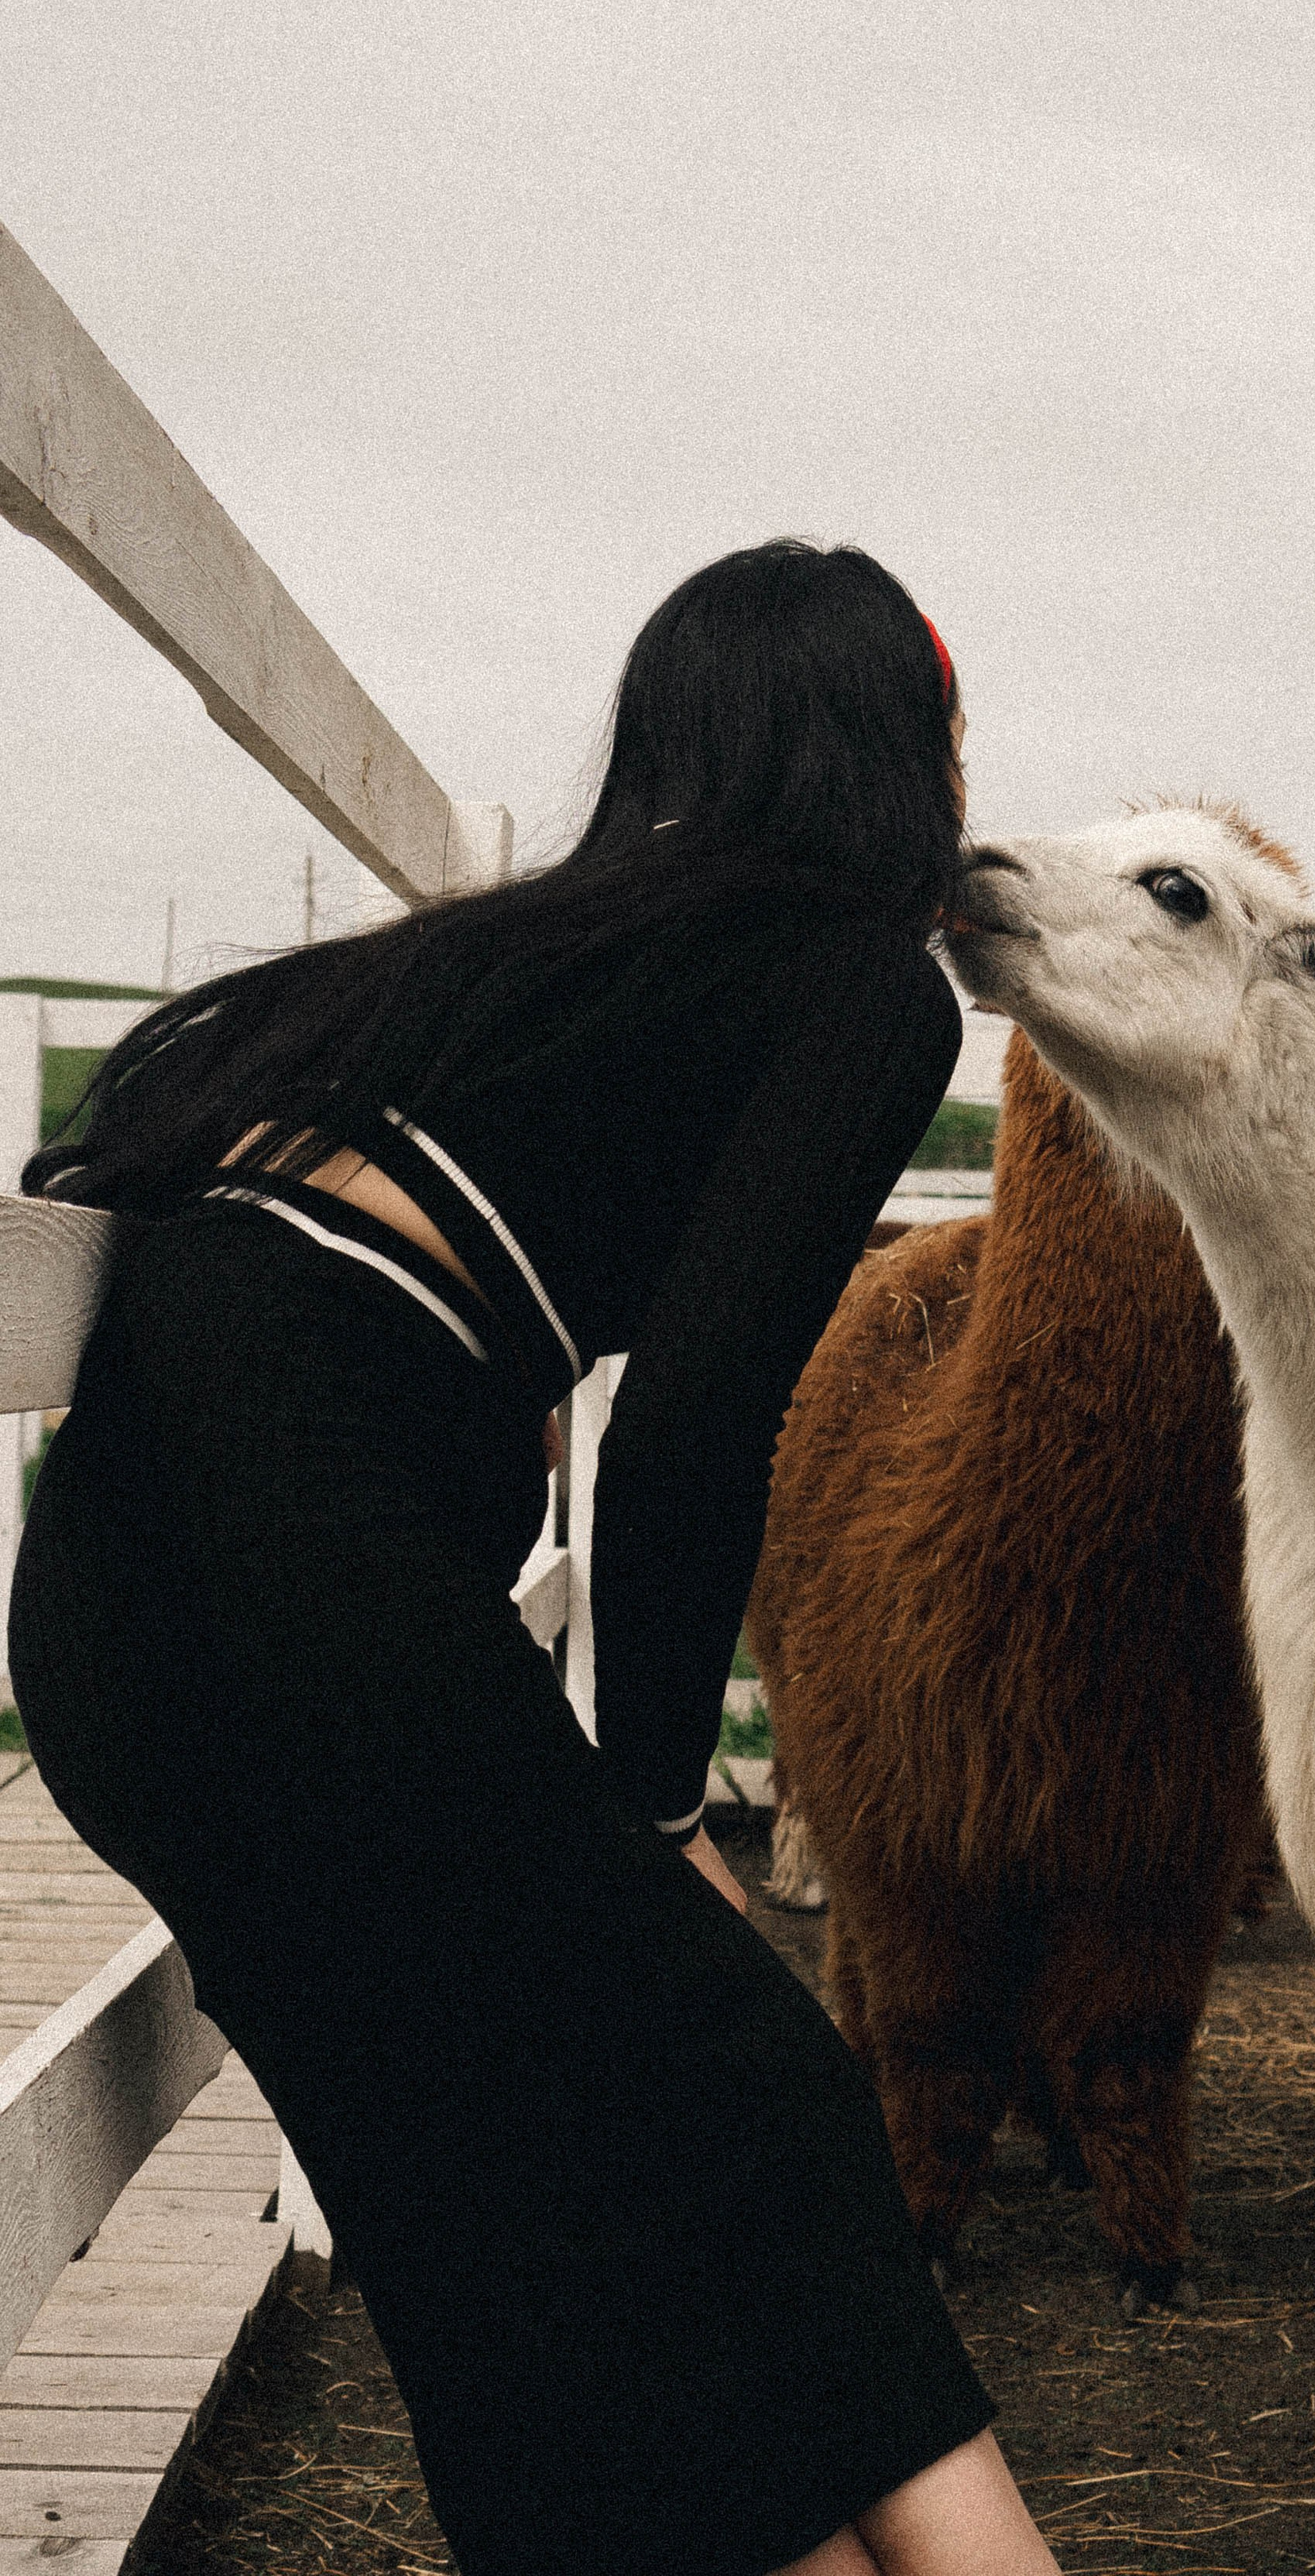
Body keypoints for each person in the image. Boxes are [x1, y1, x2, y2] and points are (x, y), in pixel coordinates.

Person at [10, 541, 1063, 2576]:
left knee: (482, 2206)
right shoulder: (857, 983)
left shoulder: (486, 965)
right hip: (318, 1585)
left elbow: (132, 1121)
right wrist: (661, 1792)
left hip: (104, 1631)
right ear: (900, 752)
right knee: (747, 2085)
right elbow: (692, 1426)